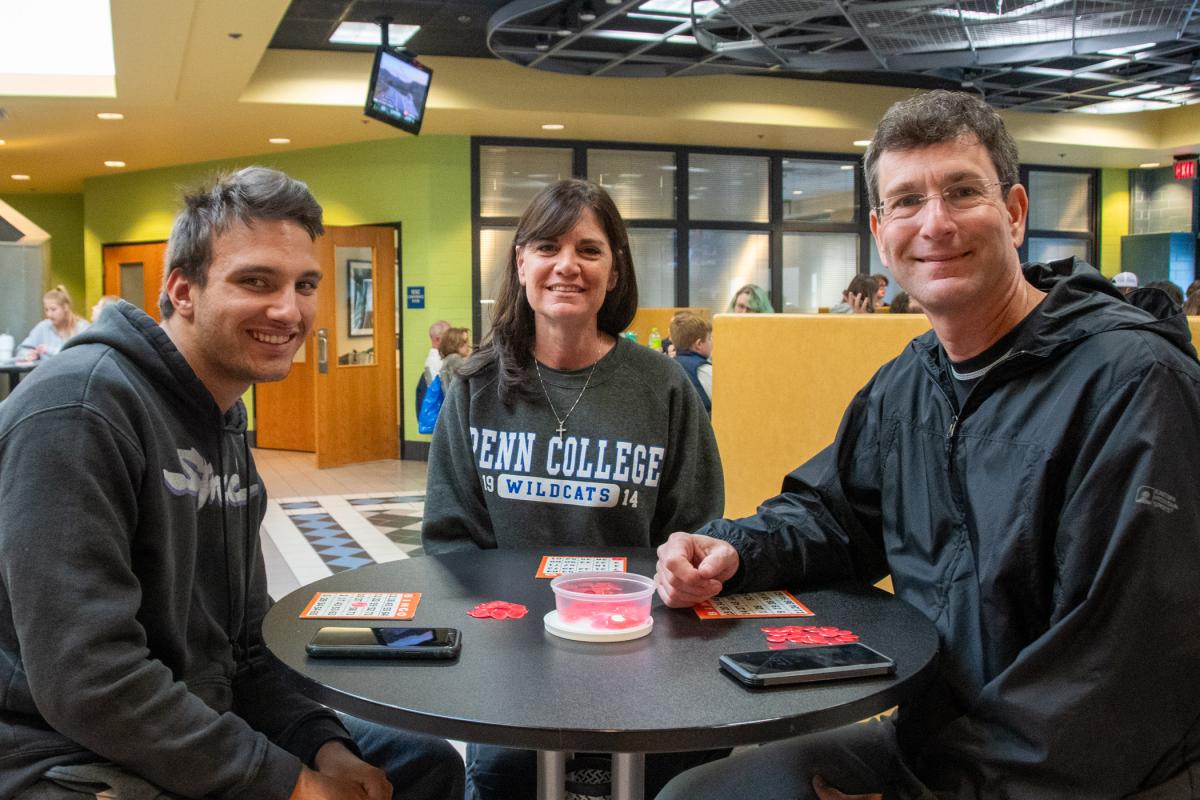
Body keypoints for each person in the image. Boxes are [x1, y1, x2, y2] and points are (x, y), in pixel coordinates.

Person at [654, 90, 1200, 800]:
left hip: (1088, 774)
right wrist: (732, 548)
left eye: (961, 191)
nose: (935, 223)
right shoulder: (911, 384)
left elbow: (1120, 677)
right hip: (945, 741)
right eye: (907, 201)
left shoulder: (1134, 385)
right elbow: (835, 516)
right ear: (882, 233)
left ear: (1015, 212)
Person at [0, 167, 464, 800]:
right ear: (183, 291)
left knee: (420, 765)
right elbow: (90, 681)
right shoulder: (79, 410)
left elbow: (244, 651)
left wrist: (321, 748)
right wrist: (286, 783)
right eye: (255, 281)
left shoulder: (222, 417)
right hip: (58, 747)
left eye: (305, 285)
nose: (288, 309)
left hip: (193, 711)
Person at [421, 178, 725, 800]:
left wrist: (688, 572)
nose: (567, 266)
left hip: (641, 658)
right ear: (521, 262)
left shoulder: (664, 387)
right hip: (512, 665)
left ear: (614, 271)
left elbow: (696, 527)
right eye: (547, 247)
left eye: (589, 250)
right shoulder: (476, 386)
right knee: (506, 782)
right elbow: (450, 542)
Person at [15, 285, 89, 361]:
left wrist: (48, 350)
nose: (49, 314)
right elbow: (22, 349)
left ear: (65, 307)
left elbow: (84, 354)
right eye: (46, 310)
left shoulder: (82, 327)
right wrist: (30, 354)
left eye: (53, 309)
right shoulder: (43, 327)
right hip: (47, 372)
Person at [668, 312, 712, 413]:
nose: (712, 342)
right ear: (699, 344)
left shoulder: (671, 365)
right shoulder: (704, 369)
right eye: (709, 339)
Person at [424, 319, 450, 385]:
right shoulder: (433, 362)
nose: (451, 340)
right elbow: (437, 390)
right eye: (448, 337)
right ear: (438, 339)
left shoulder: (443, 357)